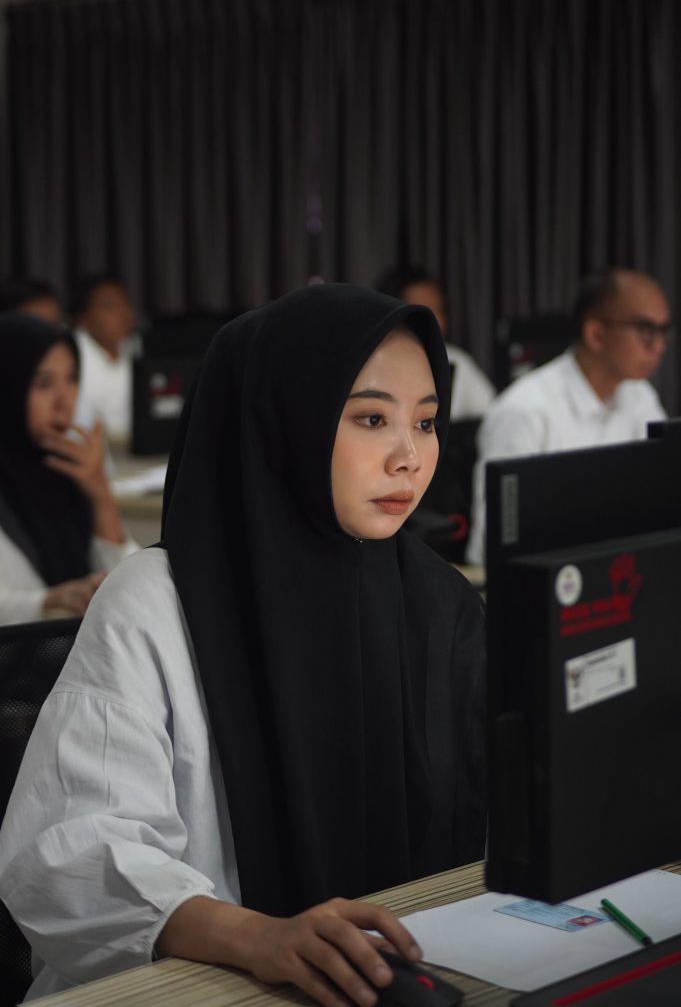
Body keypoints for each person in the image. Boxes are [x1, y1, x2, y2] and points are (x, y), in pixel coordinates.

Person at [0, 284, 486, 1003]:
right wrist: (257, 937)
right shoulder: (159, 599)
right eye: (371, 419)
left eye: (426, 422)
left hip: (391, 968)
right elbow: (68, 856)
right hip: (191, 984)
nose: (410, 457)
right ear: (279, 421)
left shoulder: (437, 599)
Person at [467, 268, 669, 564]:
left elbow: (661, 495)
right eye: (646, 331)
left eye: (664, 331)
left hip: (612, 565)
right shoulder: (525, 410)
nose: (659, 346)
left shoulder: (640, 396)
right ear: (596, 334)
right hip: (535, 577)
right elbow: (495, 537)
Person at [0, 312, 138, 624]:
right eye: (44, 383)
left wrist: (101, 497)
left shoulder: (68, 471)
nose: (65, 401)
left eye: (72, 379)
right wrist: (50, 601)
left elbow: (133, 592)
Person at [375, 266, 495, 419]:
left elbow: (491, 413)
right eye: (425, 312)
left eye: (439, 310)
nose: (437, 322)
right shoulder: (372, 364)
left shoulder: (456, 359)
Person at [70, 273, 137, 443]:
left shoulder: (136, 346)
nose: (123, 313)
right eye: (109, 307)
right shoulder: (71, 354)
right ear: (83, 317)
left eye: (125, 303)